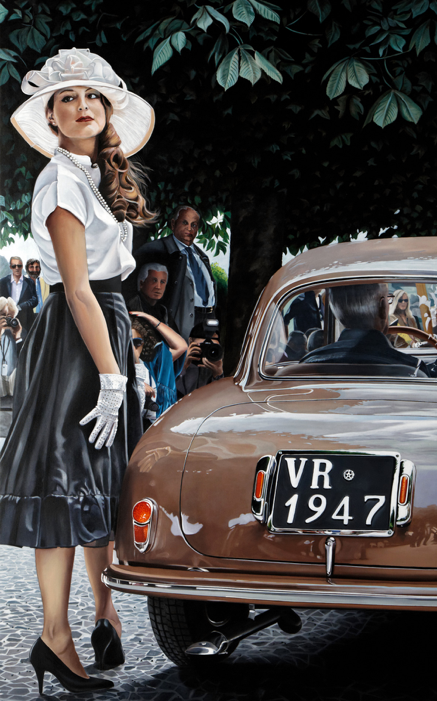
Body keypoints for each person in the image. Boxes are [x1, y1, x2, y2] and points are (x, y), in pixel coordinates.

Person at [0, 48, 155, 693]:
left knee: (94, 478)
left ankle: (103, 612)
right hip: (76, 335)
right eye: (67, 98)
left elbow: (105, 291)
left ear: (108, 109)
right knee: (64, 479)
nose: (82, 105)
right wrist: (113, 376)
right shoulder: (61, 180)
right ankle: (54, 636)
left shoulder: (92, 175)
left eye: (92, 96)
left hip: (101, 329)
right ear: (51, 116)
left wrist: (124, 362)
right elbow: (79, 289)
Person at [302, 283, 430, 376]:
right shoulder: (413, 370)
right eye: (388, 299)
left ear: (335, 311)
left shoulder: (307, 365)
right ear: (382, 307)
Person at [133, 204, 216, 340]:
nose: (189, 229)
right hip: (177, 322)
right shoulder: (156, 249)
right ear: (173, 224)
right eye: (185, 223)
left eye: (194, 225)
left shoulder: (201, 257)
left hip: (206, 321)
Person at [130, 310, 187, 419]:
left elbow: (181, 347)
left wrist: (153, 321)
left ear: (143, 343)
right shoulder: (114, 367)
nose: (132, 348)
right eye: (128, 343)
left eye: (136, 342)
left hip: (156, 423)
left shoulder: (152, 366)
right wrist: (139, 384)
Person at [176, 321, 224, 398]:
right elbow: (169, 394)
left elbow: (222, 398)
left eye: (212, 348)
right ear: (191, 341)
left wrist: (218, 374)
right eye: (203, 346)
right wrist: (182, 367)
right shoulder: (177, 362)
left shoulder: (221, 363)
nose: (206, 351)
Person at [127, 262, 178, 329]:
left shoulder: (162, 311)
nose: (158, 287)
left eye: (162, 282)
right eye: (154, 281)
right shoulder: (131, 307)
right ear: (141, 283)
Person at [0, 256, 38, 338]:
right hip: (8, 320)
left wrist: (21, 307)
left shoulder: (29, 282)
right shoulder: (3, 282)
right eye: (14, 266)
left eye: (19, 266)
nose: (17, 268)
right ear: (10, 267)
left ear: (22, 266)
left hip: (26, 320)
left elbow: (35, 300)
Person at [0, 297, 23, 397]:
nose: (7, 321)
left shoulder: (19, 332)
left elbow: (24, 361)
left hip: (12, 380)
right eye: (4, 316)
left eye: (10, 318)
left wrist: (17, 337)